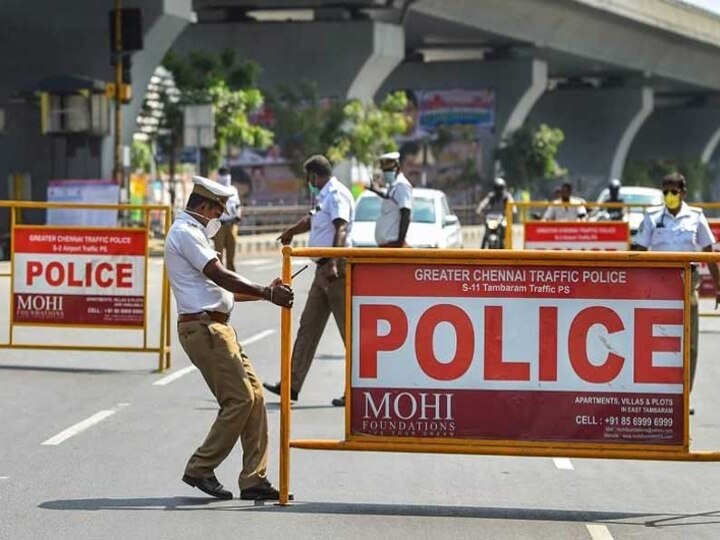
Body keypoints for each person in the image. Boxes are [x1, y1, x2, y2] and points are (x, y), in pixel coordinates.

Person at [165, 176, 294, 501]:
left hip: (217, 327)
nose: (217, 219)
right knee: (240, 400)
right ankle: (200, 467)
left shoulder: (194, 234)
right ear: (205, 206)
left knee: (256, 398)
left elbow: (220, 290)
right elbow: (219, 275)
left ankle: (253, 479)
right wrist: (266, 292)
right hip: (205, 329)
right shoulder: (185, 233)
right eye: (217, 211)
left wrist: (266, 294)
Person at [263, 155, 355, 407]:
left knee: (349, 332)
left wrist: (335, 261)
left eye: (309, 178)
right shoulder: (323, 195)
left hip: (336, 269)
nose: (309, 183)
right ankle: (291, 385)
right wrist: (292, 231)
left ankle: (356, 389)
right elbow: (313, 220)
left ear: (315, 176)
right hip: (322, 269)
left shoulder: (336, 193)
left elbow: (342, 227)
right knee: (308, 326)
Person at [632, 172, 720, 414]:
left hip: (686, 281)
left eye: (674, 191)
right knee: (654, 340)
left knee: (689, 343)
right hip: (657, 284)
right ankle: (657, 395)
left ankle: (685, 396)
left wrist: (719, 285)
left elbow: (708, 252)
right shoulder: (652, 217)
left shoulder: (695, 216)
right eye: (666, 191)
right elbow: (638, 251)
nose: (669, 196)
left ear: (683, 192)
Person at [367, 151, 413, 247]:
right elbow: (390, 199)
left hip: (394, 245)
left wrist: (399, 243)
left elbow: (405, 214)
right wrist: (376, 190)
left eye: (388, 170)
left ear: (397, 167)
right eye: (384, 171)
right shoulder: (393, 186)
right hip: (387, 245)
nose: (385, 173)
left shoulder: (401, 185)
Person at [213, 167, 242, 272]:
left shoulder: (233, 190)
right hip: (218, 225)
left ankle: (233, 280)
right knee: (218, 254)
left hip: (232, 224)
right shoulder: (214, 190)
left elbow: (238, 205)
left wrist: (238, 215)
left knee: (231, 254)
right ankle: (220, 279)